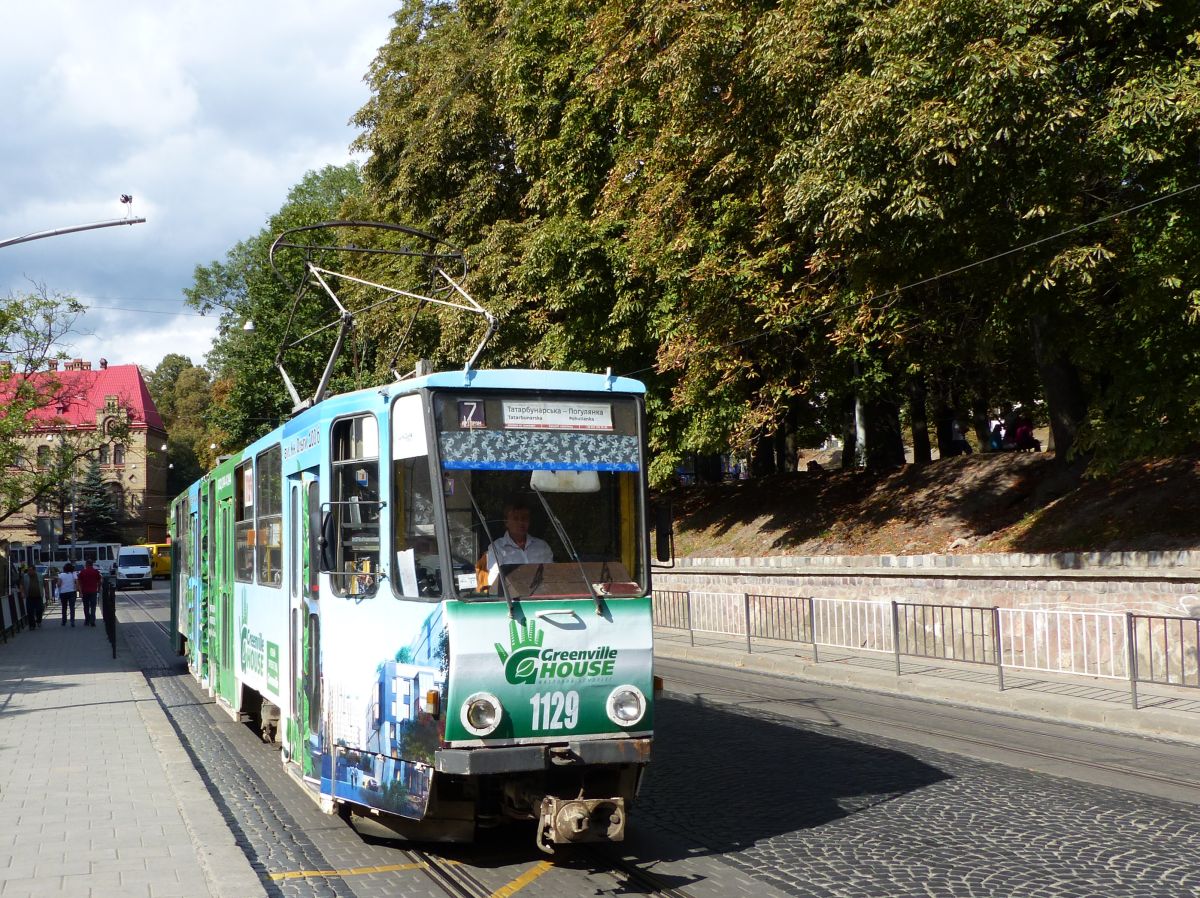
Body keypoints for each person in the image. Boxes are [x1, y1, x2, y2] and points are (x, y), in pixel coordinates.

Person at [489, 496, 554, 566]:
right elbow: (495, 576)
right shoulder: (496, 548)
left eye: (524, 518)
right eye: (515, 518)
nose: (521, 522)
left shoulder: (542, 546)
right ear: (506, 522)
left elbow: (551, 574)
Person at [77, 558, 102, 627]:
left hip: (85, 591)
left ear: (86, 564)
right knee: (93, 606)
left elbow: (79, 582)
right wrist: (98, 589)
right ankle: (93, 620)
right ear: (92, 564)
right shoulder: (96, 572)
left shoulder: (82, 572)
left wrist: (80, 591)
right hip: (93, 591)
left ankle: (87, 620)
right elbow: (99, 582)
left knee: (86, 606)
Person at [22, 565, 44, 629]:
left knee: (39, 610)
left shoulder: (40, 576)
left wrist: (47, 593)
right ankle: (32, 625)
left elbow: (44, 584)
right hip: (29, 597)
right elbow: (21, 585)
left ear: (34, 570)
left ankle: (39, 621)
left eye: (31, 570)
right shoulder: (25, 576)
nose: (29, 571)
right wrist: (22, 593)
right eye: (28, 570)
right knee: (30, 611)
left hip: (38, 596)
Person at [58, 562, 79, 627]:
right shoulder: (74, 574)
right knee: (72, 607)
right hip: (72, 592)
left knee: (64, 607)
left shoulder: (61, 575)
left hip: (63, 592)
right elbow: (77, 582)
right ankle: (72, 621)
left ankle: (64, 621)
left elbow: (59, 584)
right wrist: (77, 589)